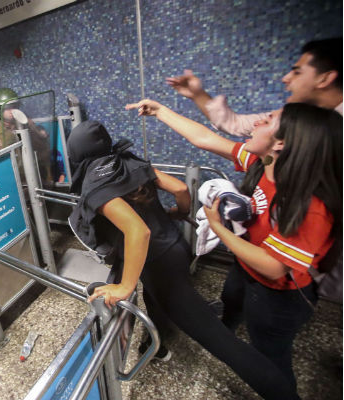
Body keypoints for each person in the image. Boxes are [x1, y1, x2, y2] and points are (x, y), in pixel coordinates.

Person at [70, 120, 305, 399]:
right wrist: (179, 213)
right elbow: (181, 188)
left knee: (221, 342)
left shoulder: (95, 182)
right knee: (156, 302)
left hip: (157, 265)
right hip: (176, 248)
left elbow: (138, 232)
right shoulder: (127, 160)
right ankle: (155, 346)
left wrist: (124, 287)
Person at [129, 99, 341, 391]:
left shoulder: (309, 204)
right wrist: (159, 111)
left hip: (278, 297)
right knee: (231, 301)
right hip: (245, 269)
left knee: (270, 358)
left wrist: (218, 227)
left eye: (267, 121)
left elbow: (274, 266)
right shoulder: (262, 162)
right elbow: (204, 138)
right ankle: (225, 332)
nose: (255, 122)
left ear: (280, 144)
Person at [166, 37, 342, 136]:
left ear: (325, 79)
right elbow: (234, 123)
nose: (285, 78)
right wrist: (197, 94)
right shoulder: (292, 118)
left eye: (297, 72)